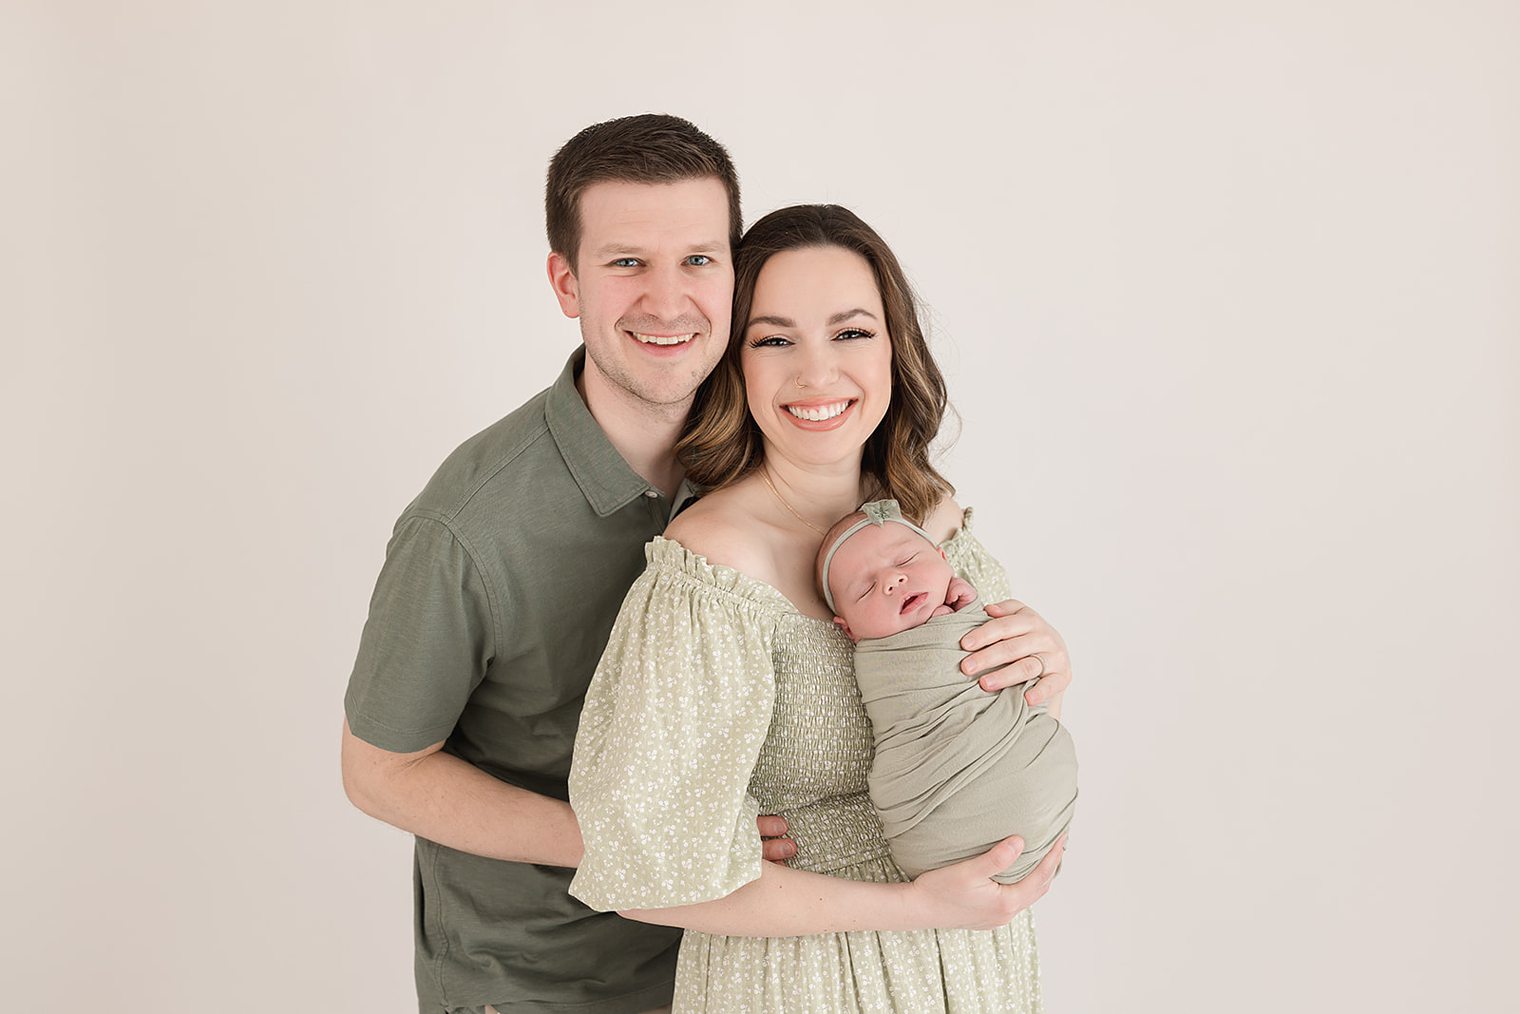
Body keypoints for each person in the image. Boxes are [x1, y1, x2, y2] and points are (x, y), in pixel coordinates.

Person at [341, 114, 1073, 1014]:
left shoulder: (833, 491)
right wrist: (643, 837)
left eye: (696, 259)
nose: (667, 301)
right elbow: (380, 770)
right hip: (549, 974)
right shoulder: (477, 525)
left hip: (792, 948)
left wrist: (1037, 666)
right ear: (566, 282)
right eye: (624, 263)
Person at [568, 204, 1069, 1011]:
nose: (817, 374)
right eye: (774, 340)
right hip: (804, 981)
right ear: (736, 363)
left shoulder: (929, 513)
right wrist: (912, 909)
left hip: (975, 966)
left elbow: (996, 725)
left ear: (893, 346)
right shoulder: (712, 568)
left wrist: (1047, 660)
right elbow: (646, 876)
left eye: (850, 333)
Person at [817, 499, 1078, 884]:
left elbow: (1019, 687)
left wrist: (968, 615)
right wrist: (947, 631)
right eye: (866, 589)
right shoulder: (877, 659)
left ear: (944, 559)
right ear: (849, 630)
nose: (892, 580)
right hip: (933, 820)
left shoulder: (976, 600)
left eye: (906, 561)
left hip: (1036, 797)